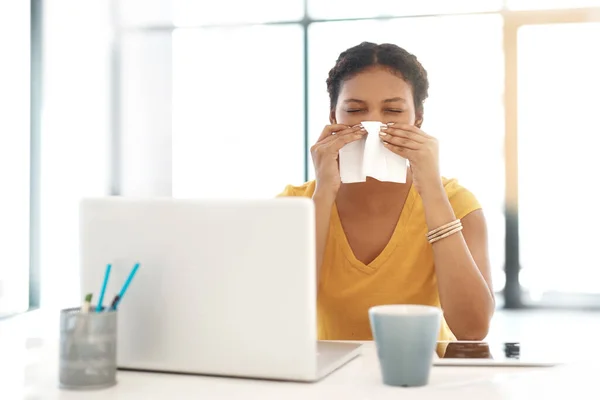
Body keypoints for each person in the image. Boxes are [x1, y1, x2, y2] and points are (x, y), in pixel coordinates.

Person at [278, 42, 494, 342]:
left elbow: (473, 329)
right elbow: (280, 316)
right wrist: (324, 192)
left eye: (392, 110)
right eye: (355, 110)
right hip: (327, 378)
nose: (374, 124)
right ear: (333, 116)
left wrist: (431, 190)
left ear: (417, 118)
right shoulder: (294, 205)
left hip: (425, 376)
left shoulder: (457, 202)